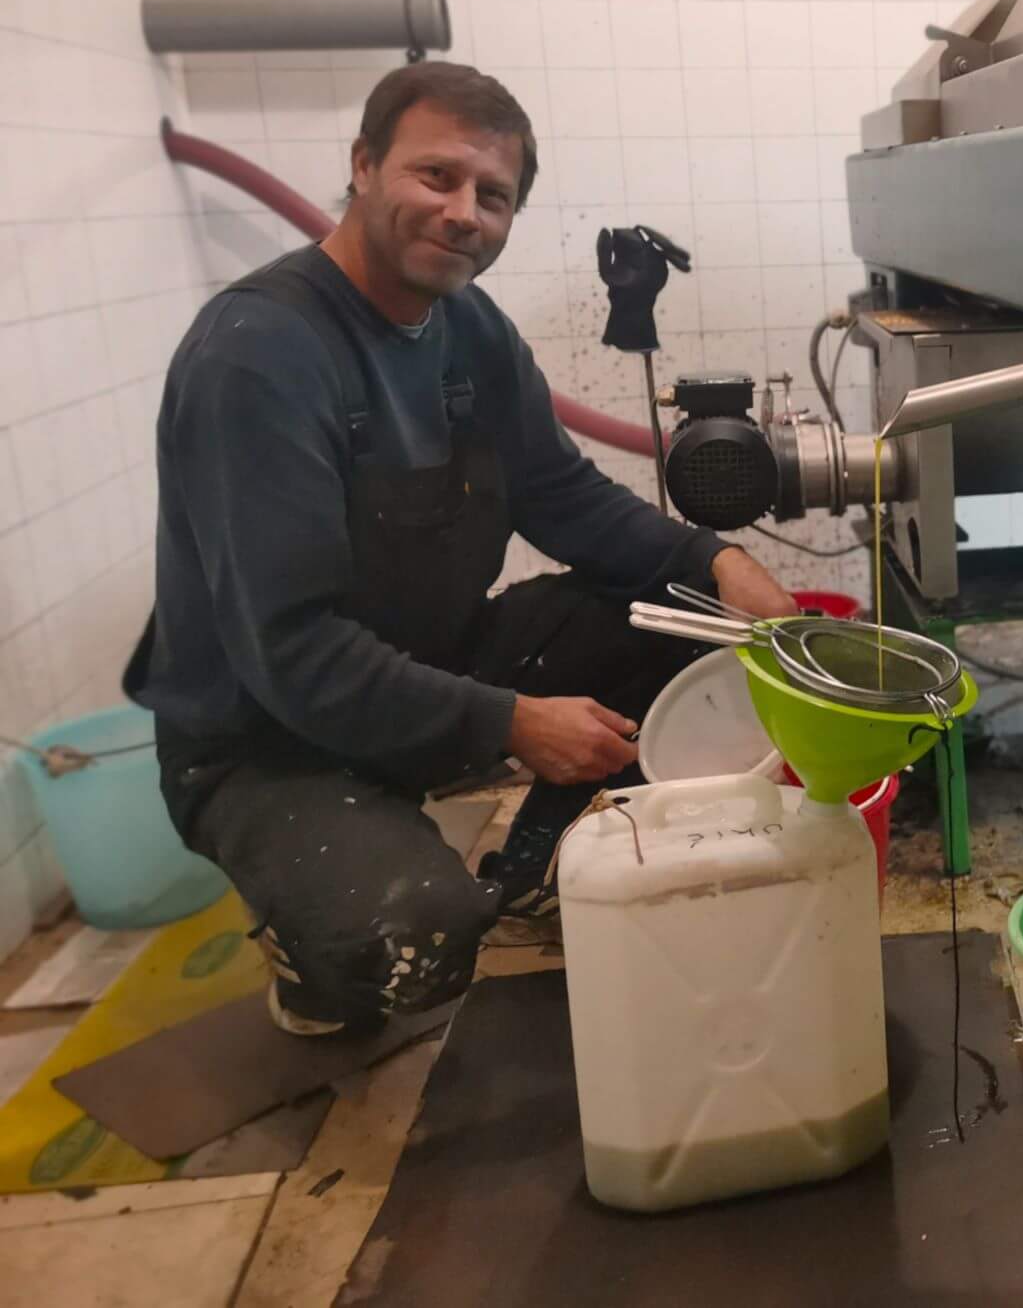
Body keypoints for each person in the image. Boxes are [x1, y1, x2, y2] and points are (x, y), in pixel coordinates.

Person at [126, 61, 797, 1036]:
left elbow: (562, 496)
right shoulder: (258, 353)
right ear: (363, 165)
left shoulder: (467, 328)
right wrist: (510, 722)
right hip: (266, 741)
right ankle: (313, 949)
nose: (463, 214)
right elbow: (294, 652)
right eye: (435, 176)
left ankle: (540, 868)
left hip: (427, 663)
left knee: (687, 625)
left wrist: (718, 564)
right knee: (415, 937)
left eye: (493, 195)